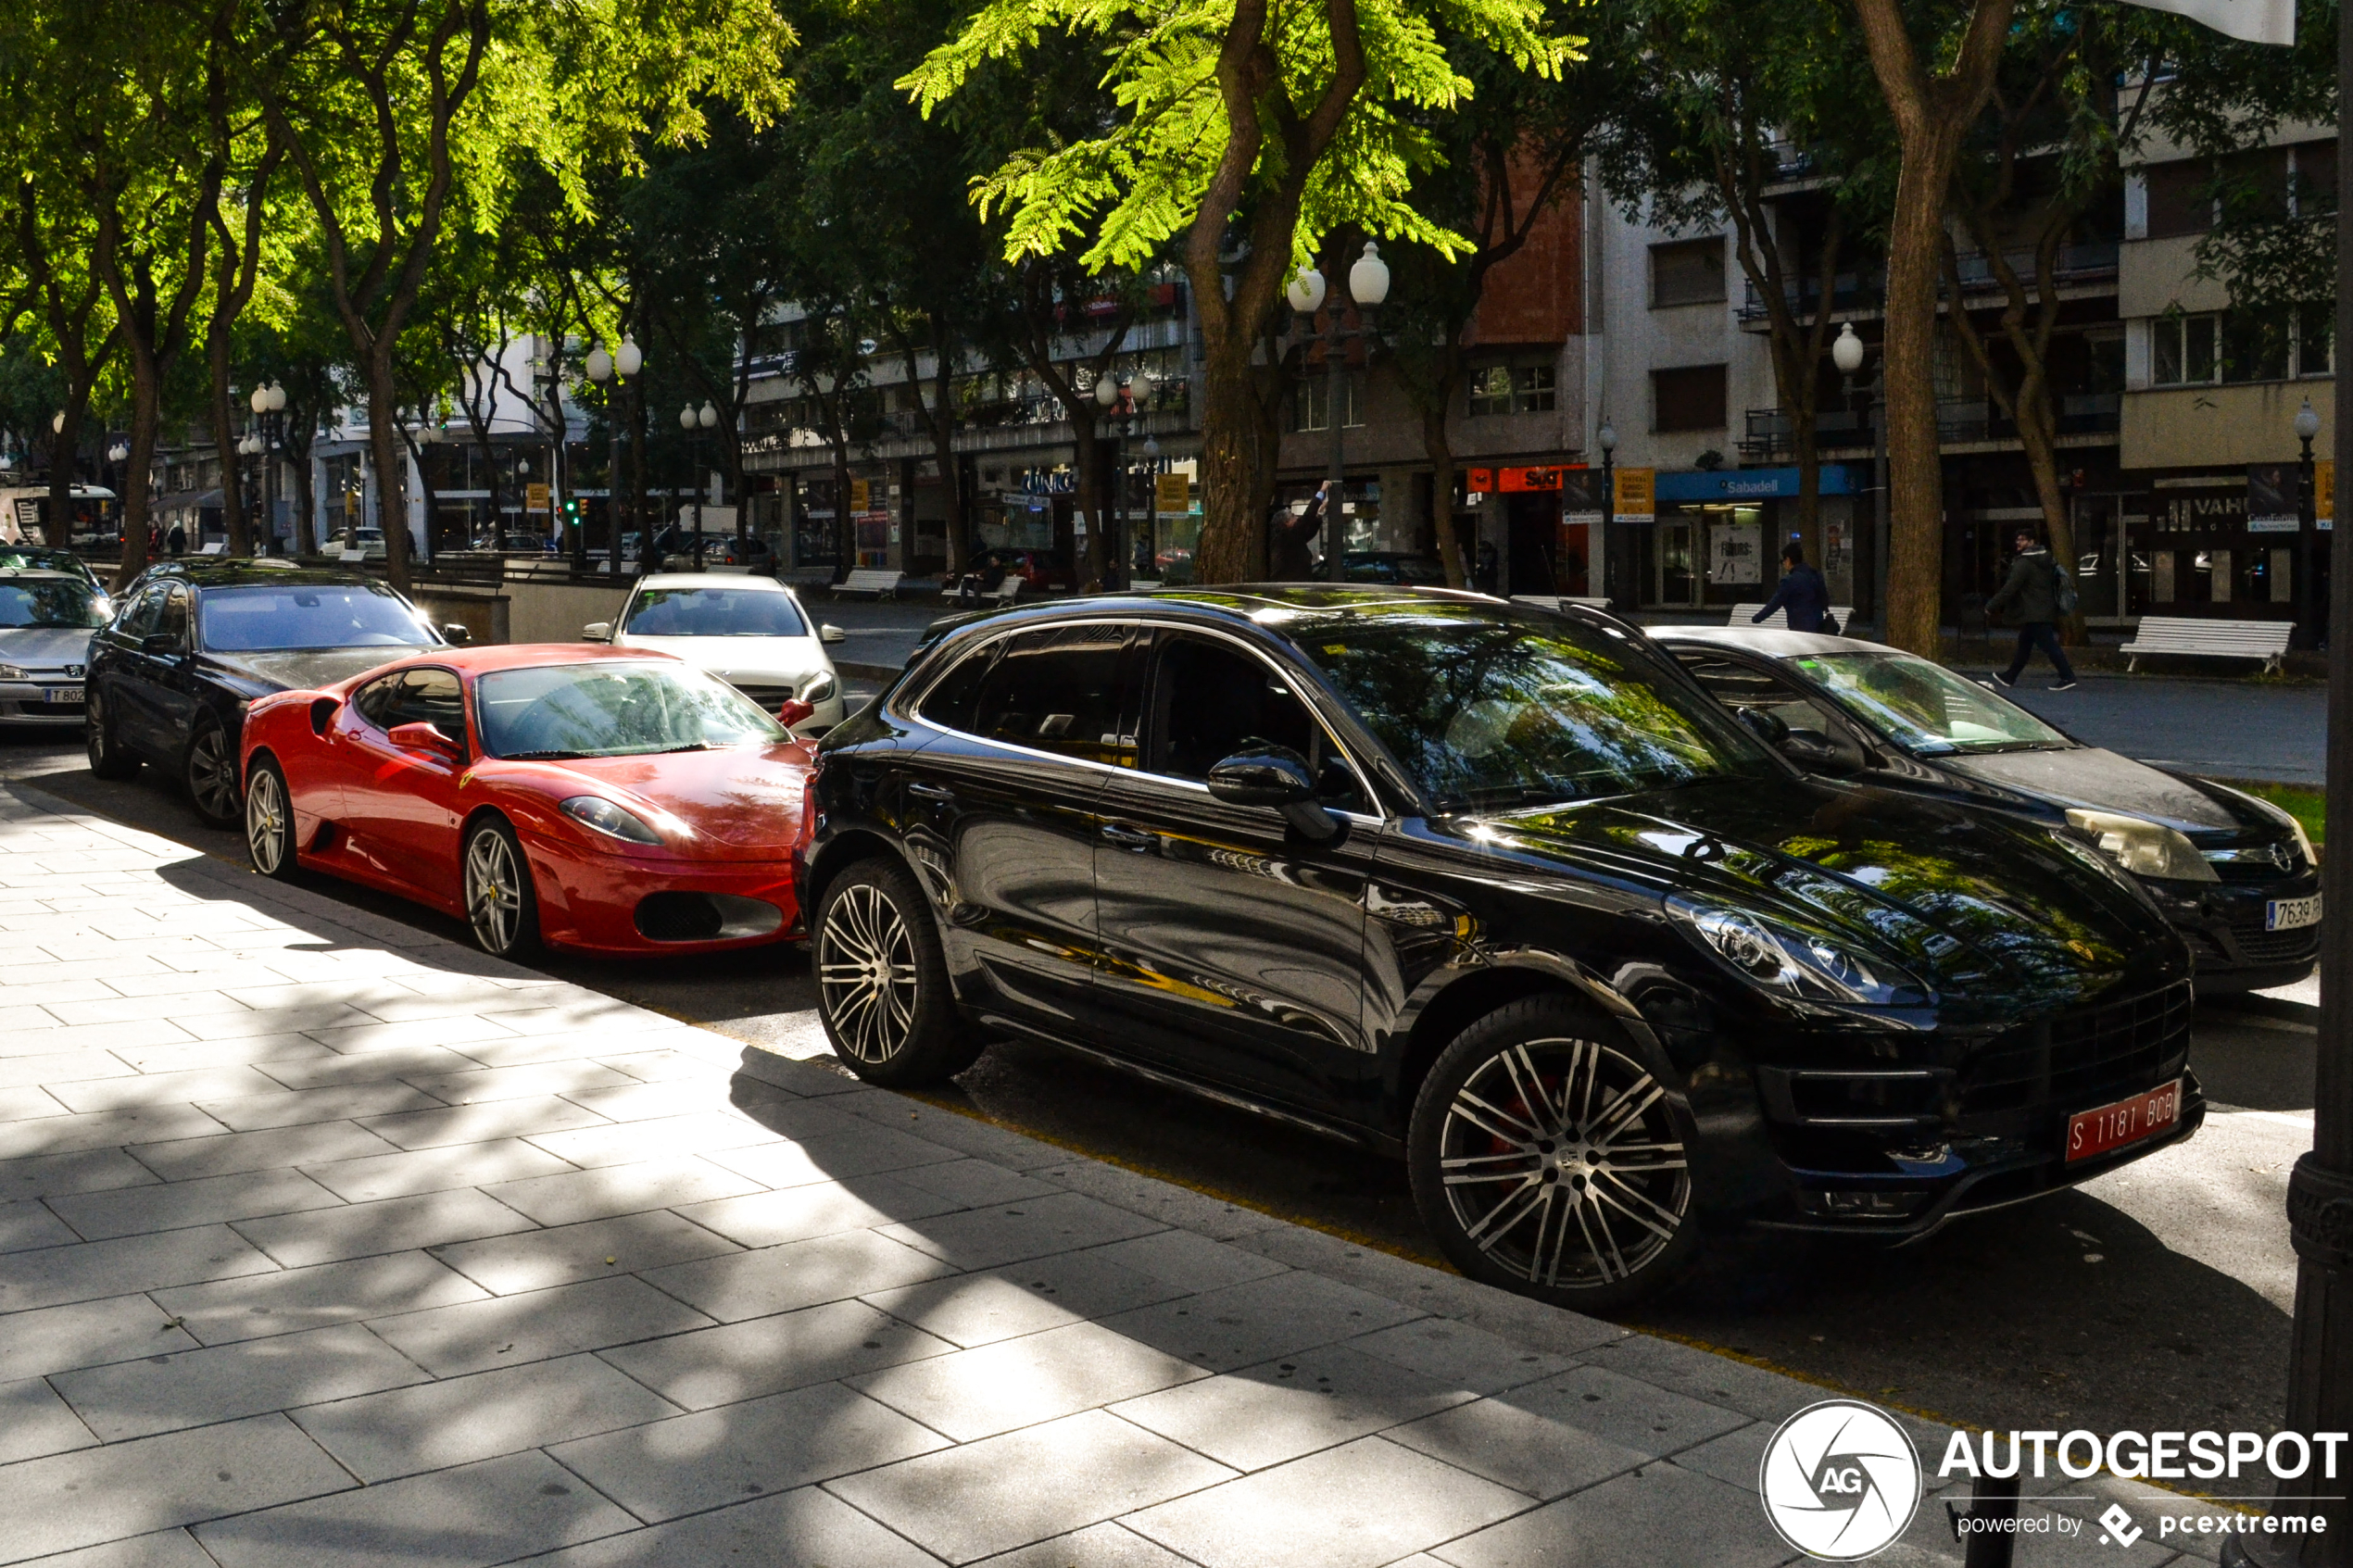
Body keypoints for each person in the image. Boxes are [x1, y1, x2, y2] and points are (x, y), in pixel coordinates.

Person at [1984, 525, 2077, 690]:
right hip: (2043, 609)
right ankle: (2010, 676)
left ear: (2031, 541)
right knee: (2025, 644)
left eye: (2022, 540)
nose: (2018, 543)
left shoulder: (2025, 563)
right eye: (2017, 539)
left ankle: (2067, 676)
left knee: (2049, 646)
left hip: (2034, 612)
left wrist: (1992, 605)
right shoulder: (2048, 559)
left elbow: (2010, 588)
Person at [1752, 540, 1830, 632]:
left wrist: (1756, 619)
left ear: (1788, 560)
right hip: (1819, 627)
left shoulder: (1789, 581)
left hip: (1800, 628)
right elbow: (1825, 600)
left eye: (1783, 561)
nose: (1784, 564)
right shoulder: (1816, 574)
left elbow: (1775, 603)